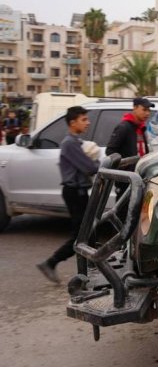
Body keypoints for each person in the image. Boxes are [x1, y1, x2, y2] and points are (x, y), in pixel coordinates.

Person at [36, 106, 100, 284]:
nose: (88, 123)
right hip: (74, 193)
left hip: (79, 191)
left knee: (89, 233)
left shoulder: (76, 141)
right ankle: (51, 263)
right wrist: (97, 162)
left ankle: (93, 271)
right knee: (81, 236)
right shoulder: (70, 143)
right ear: (72, 123)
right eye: (83, 120)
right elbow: (90, 168)